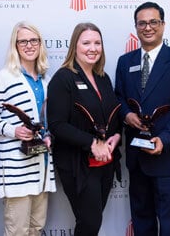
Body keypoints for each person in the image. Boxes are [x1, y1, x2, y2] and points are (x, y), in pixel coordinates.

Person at [114, 1, 170, 236]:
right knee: (142, 222)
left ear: (163, 25)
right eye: (142, 23)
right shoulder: (125, 61)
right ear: (136, 27)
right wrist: (126, 114)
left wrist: (164, 139)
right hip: (136, 158)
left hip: (166, 158)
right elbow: (118, 97)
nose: (148, 27)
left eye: (153, 22)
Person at [47, 22, 122, 236]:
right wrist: (92, 143)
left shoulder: (103, 78)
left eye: (97, 43)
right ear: (75, 46)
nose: (93, 48)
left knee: (92, 223)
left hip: (105, 163)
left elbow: (113, 118)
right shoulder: (63, 78)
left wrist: (116, 137)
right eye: (86, 42)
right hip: (77, 165)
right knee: (89, 224)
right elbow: (57, 125)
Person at [0, 21, 56, 236]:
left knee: (36, 228)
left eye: (34, 40)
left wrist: (49, 134)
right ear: (15, 45)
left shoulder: (46, 79)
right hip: (16, 169)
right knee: (18, 231)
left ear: (40, 44)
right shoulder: (4, 77)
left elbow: (46, 119)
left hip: (41, 165)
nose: (29, 45)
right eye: (23, 41)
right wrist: (14, 131)